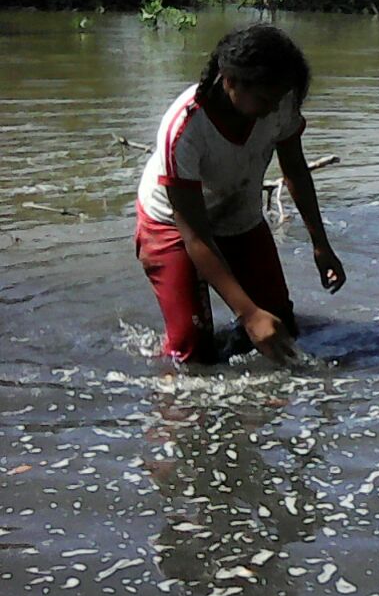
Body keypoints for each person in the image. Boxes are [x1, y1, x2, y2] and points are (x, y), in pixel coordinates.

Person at [135, 24, 346, 364]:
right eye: (264, 100)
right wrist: (249, 314)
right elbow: (195, 236)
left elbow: (294, 169)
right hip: (173, 223)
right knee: (192, 354)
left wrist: (320, 244)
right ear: (230, 81)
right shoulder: (186, 129)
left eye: (278, 100)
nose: (271, 109)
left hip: (237, 211)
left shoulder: (279, 101)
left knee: (282, 332)